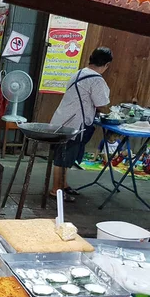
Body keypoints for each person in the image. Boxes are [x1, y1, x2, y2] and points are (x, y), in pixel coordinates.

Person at [50, 47, 112, 202]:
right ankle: (56, 190)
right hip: (73, 124)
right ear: (106, 64)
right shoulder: (96, 79)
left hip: (62, 119)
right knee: (63, 158)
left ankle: (63, 185)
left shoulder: (79, 73)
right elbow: (101, 104)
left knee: (65, 156)